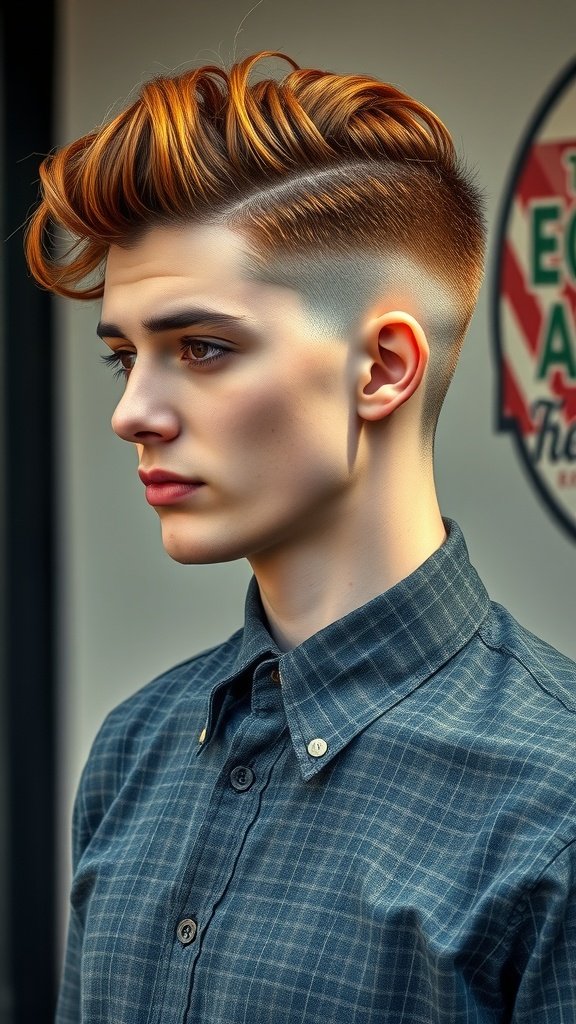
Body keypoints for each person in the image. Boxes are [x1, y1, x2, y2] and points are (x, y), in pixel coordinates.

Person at [25, 49, 575, 1024]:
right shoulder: (136, 748)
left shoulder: (554, 801)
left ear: (382, 368)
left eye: (202, 348)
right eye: (125, 358)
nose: (134, 412)